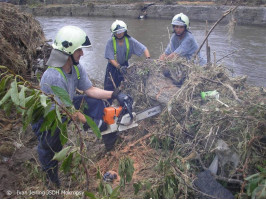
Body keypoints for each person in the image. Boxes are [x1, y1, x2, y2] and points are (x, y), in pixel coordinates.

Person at [32, 25, 128, 188]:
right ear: (68, 52)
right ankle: (51, 181)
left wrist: (115, 94)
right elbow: (68, 112)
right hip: (50, 116)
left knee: (95, 102)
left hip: (66, 104)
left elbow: (90, 90)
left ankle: (108, 140)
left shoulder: (76, 67)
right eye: (79, 50)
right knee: (50, 148)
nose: (82, 53)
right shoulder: (54, 76)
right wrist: (92, 123)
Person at [104, 20, 150, 95]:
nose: (119, 34)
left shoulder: (130, 41)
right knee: (109, 89)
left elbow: (144, 49)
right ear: (113, 33)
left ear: (125, 31)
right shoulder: (110, 42)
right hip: (112, 68)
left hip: (125, 66)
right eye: (116, 32)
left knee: (126, 87)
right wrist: (119, 67)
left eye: (121, 31)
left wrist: (148, 60)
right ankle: (108, 103)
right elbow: (111, 59)